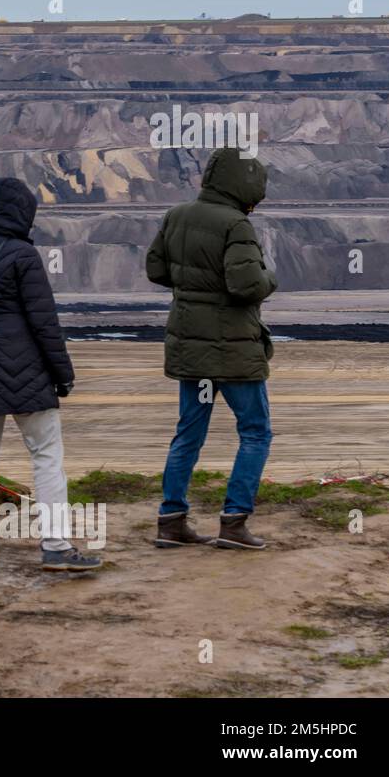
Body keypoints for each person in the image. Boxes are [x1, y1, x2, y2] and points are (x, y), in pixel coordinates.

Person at [0, 178, 101, 573]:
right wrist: (63, 374)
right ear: (21, 213)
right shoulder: (24, 256)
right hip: (29, 372)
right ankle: (57, 547)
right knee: (46, 459)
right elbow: (45, 323)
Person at [146, 145, 277, 550]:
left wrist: (194, 290)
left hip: (190, 348)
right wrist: (270, 277)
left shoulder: (176, 215)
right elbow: (246, 286)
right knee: (256, 432)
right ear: (242, 186)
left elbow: (156, 269)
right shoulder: (236, 224)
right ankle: (234, 523)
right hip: (234, 350)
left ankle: (171, 521)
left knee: (189, 432)